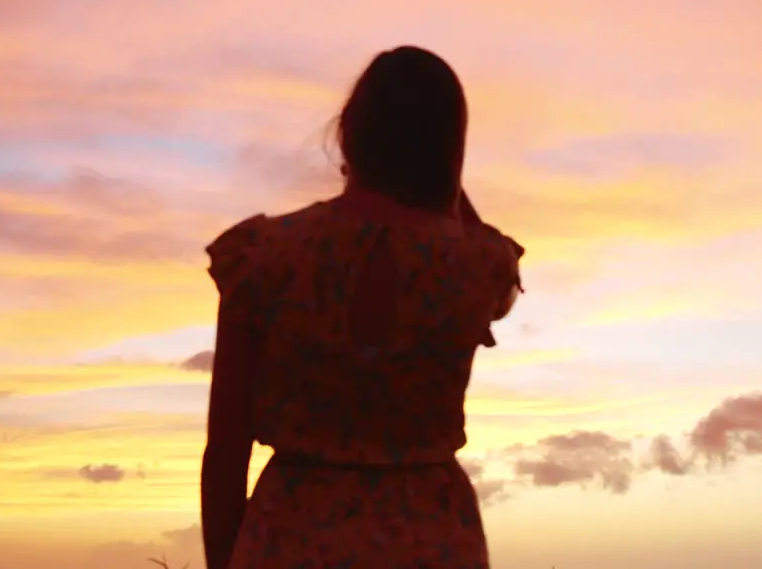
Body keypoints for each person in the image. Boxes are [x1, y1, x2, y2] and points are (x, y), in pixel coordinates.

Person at [200, 45, 524, 569]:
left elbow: (226, 454)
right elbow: (497, 266)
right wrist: (445, 183)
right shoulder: (476, 263)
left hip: (291, 537)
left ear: (350, 132)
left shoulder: (265, 256)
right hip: (433, 540)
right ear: (449, 149)